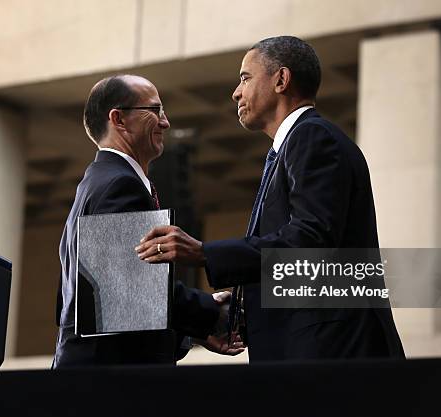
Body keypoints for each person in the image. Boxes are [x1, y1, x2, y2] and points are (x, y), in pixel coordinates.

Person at [136, 36, 405, 362]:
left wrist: (205, 253)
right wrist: (240, 304)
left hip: (333, 353)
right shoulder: (293, 145)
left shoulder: (311, 136)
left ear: (281, 79)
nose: (236, 92)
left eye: (246, 78)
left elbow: (311, 240)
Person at [53, 75, 243, 368]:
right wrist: (212, 313)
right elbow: (131, 290)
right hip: (105, 385)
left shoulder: (96, 182)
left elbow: (125, 306)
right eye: (155, 111)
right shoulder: (118, 185)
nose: (165, 123)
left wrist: (193, 334)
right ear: (119, 119)